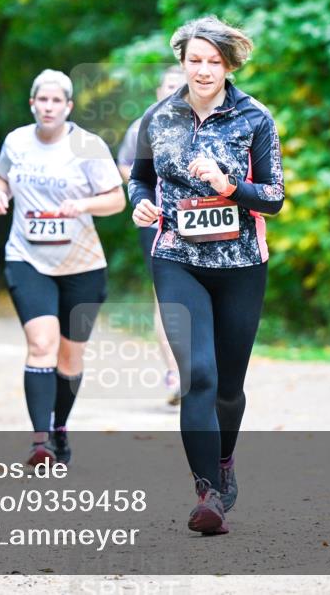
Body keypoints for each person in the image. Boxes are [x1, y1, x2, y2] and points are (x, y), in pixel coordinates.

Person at [129, 16, 284, 535]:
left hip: (241, 264)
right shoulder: (158, 117)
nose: (203, 70)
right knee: (198, 374)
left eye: (213, 62)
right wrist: (140, 204)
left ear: (228, 66)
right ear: (181, 61)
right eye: (194, 60)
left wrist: (229, 185)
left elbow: (274, 197)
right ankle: (207, 493)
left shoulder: (255, 117)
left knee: (228, 388)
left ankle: (223, 461)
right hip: (176, 257)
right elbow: (139, 179)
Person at [0, 69, 125, 467]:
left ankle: (60, 428)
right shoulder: (16, 141)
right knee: (41, 344)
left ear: (69, 106)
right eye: (42, 100)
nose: (48, 107)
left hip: (83, 265)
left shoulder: (88, 146)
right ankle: (40, 442)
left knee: (69, 358)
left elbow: (116, 200)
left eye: (56, 101)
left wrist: (83, 205)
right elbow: (0, 181)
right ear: (32, 104)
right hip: (28, 258)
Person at [117, 66, 186, 406]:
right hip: (156, 221)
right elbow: (125, 166)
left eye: (180, 86)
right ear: (158, 90)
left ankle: (202, 370)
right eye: (169, 85)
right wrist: (149, 186)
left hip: (198, 221)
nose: (174, 91)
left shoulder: (205, 124)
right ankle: (175, 374)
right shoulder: (142, 125)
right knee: (166, 297)